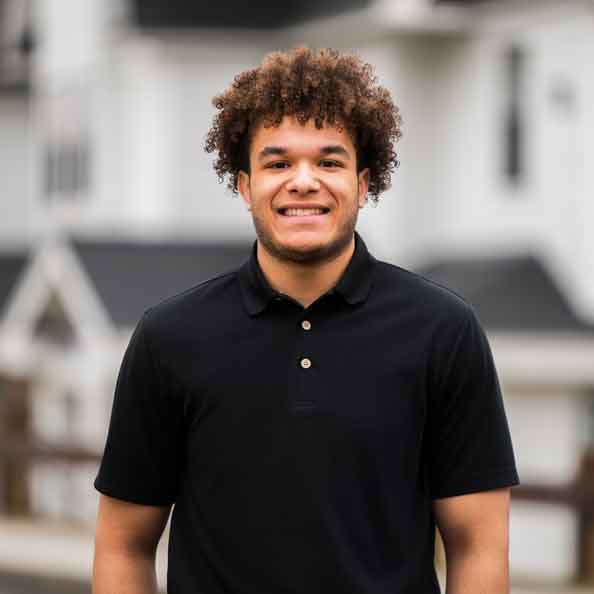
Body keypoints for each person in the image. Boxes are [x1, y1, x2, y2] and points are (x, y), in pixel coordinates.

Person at [93, 47, 519, 594]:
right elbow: (122, 546)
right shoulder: (169, 338)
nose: (303, 181)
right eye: (277, 163)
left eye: (329, 161)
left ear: (364, 183)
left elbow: (478, 548)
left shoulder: (444, 331)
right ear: (244, 185)